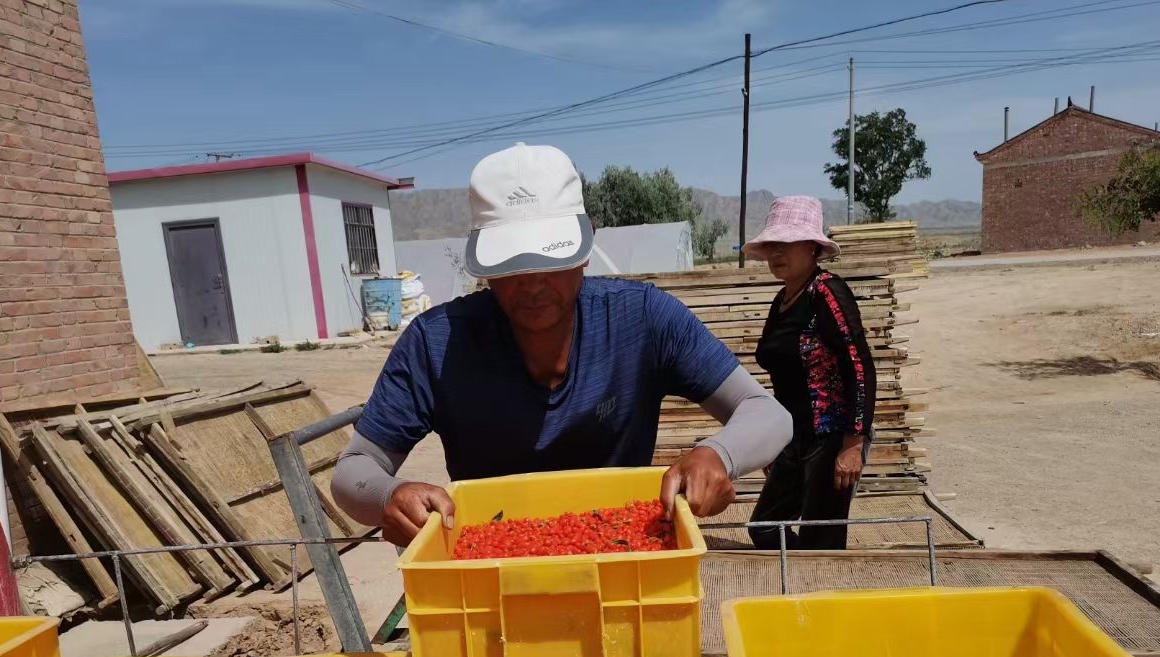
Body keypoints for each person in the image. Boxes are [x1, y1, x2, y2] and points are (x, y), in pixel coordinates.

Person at [330, 142, 792, 547]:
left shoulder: (643, 319)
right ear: (484, 264)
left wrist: (718, 456)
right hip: (493, 564)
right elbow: (356, 468)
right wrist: (390, 496)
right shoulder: (436, 344)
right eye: (512, 264)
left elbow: (767, 412)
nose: (533, 284)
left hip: (622, 554)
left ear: (583, 247)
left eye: (550, 259)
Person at [741, 196, 876, 551]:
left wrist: (853, 444)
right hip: (791, 434)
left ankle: (819, 594)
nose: (776, 253)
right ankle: (798, 579)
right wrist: (771, 441)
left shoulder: (828, 293)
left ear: (813, 248)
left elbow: (859, 366)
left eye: (787, 243)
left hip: (830, 436)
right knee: (764, 528)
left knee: (822, 539)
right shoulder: (782, 301)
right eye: (772, 245)